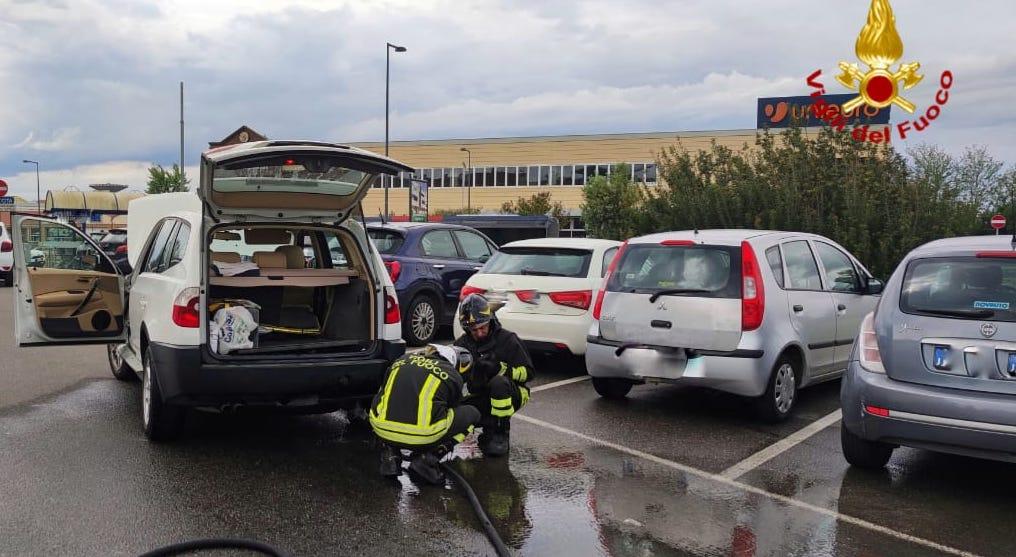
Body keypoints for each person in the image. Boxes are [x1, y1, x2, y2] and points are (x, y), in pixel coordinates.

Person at [369, 344, 481, 484]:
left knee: (388, 402)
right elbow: (453, 406)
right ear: (454, 361)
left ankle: (390, 456)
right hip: (424, 435)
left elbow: (385, 390)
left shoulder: (401, 360)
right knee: (473, 414)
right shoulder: (452, 374)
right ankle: (427, 459)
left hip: (381, 428)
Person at [454, 293, 535, 457]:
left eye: (483, 327)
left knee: (499, 383)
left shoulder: (507, 339)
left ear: (490, 320)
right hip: (479, 393)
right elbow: (455, 378)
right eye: (473, 330)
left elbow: (529, 373)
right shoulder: (462, 345)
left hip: (511, 393)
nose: (479, 333)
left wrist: (500, 369)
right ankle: (449, 443)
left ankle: (500, 432)